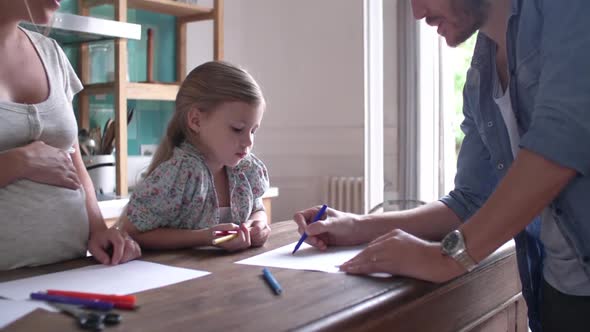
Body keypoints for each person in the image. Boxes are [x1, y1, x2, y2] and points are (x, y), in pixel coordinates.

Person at [294, 0, 590, 331]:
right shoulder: (481, 78)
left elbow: (561, 139)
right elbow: (470, 200)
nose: (417, 12)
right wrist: (358, 226)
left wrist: (446, 258)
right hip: (558, 291)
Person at [0, 0, 141, 270]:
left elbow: (74, 159)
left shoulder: (51, 53)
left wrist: (99, 228)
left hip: (71, 267)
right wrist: (20, 162)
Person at [120, 61, 270, 252]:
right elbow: (132, 232)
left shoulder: (244, 170)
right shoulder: (180, 174)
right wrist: (205, 237)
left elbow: (257, 209)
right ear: (196, 121)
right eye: (237, 129)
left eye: (253, 131)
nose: (248, 142)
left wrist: (257, 224)